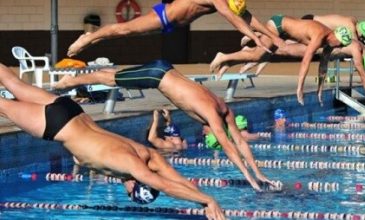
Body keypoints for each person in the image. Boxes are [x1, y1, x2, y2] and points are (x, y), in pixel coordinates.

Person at [0, 63, 225, 220]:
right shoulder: (130, 165)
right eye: (129, 192)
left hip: (72, 111)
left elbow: (176, 179)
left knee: (13, 82)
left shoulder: (146, 154)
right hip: (58, 125)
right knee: (3, 105)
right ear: (136, 184)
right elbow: (164, 185)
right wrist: (208, 200)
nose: (124, 188)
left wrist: (204, 201)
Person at [54, 59, 272, 191]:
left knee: (115, 76)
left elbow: (240, 142)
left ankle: (73, 80)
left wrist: (258, 173)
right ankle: (71, 81)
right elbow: (227, 145)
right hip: (157, 76)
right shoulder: (213, 114)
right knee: (111, 79)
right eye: (208, 133)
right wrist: (248, 177)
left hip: (165, 70)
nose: (204, 132)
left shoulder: (224, 109)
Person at [210, 15, 353, 105]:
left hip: (285, 33)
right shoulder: (319, 36)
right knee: (258, 56)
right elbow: (305, 62)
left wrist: (320, 90)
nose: (339, 47)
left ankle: (228, 62)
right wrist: (299, 88)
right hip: (278, 26)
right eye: (340, 44)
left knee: (262, 57)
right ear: (335, 36)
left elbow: (323, 67)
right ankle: (223, 56)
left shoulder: (329, 44)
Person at [67, 0, 285, 57]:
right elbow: (231, 17)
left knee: (126, 33)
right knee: (125, 30)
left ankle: (92, 37)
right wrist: (254, 38)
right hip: (164, 17)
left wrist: (271, 36)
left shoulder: (233, 2)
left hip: (171, 26)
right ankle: (87, 39)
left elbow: (246, 16)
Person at [300, 14, 365, 41]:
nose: (360, 38)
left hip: (312, 19)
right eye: (362, 37)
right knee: (291, 42)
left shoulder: (353, 20)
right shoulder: (351, 27)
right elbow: (356, 44)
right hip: (311, 24)